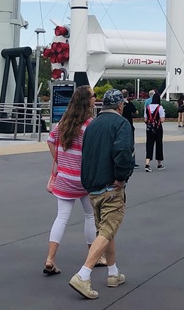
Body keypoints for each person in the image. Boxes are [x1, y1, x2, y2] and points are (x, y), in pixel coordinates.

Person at [69, 89, 134, 300]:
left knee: (105, 231)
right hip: (111, 187)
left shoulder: (92, 125)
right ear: (120, 106)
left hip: (93, 187)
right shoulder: (121, 124)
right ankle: (83, 274)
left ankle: (113, 272)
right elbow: (123, 152)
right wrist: (122, 177)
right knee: (108, 229)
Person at [44, 86, 98, 277]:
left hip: (65, 178)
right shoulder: (89, 125)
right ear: (87, 101)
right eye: (93, 96)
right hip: (83, 179)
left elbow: (50, 141)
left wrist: (59, 160)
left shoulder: (63, 123)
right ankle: (94, 256)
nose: (95, 98)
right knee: (90, 215)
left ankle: (50, 258)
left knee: (61, 217)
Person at [144, 92, 165, 171]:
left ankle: (147, 163)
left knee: (149, 144)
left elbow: (145, 119)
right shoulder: (160, 107)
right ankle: (159, 164)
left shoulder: (147, 107)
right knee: (159, 145)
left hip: (149, 128)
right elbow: (162, 120)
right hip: (158, 128)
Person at [121, 89, 138, 167]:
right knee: (131, 144)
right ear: (127, 96)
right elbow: (136, 112)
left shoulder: (120, 104)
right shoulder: (130, 104)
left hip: (120, 125)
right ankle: (132, 161)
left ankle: (122, 161)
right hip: (129, 125)